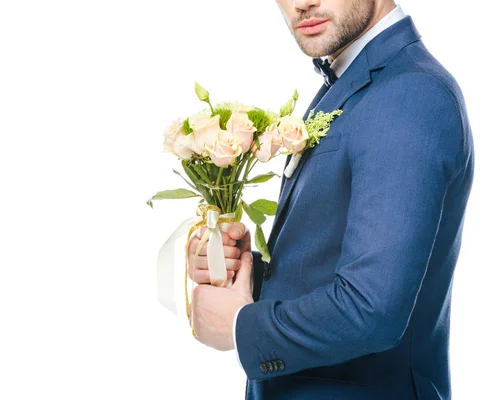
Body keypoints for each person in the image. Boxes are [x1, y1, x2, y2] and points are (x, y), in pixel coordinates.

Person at [187, 0, 474, 399]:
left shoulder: (409, 93)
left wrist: (240, 325)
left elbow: (371, 310)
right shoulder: (351, 80)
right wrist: (246, 274)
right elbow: (331, 258)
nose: (302, 3)